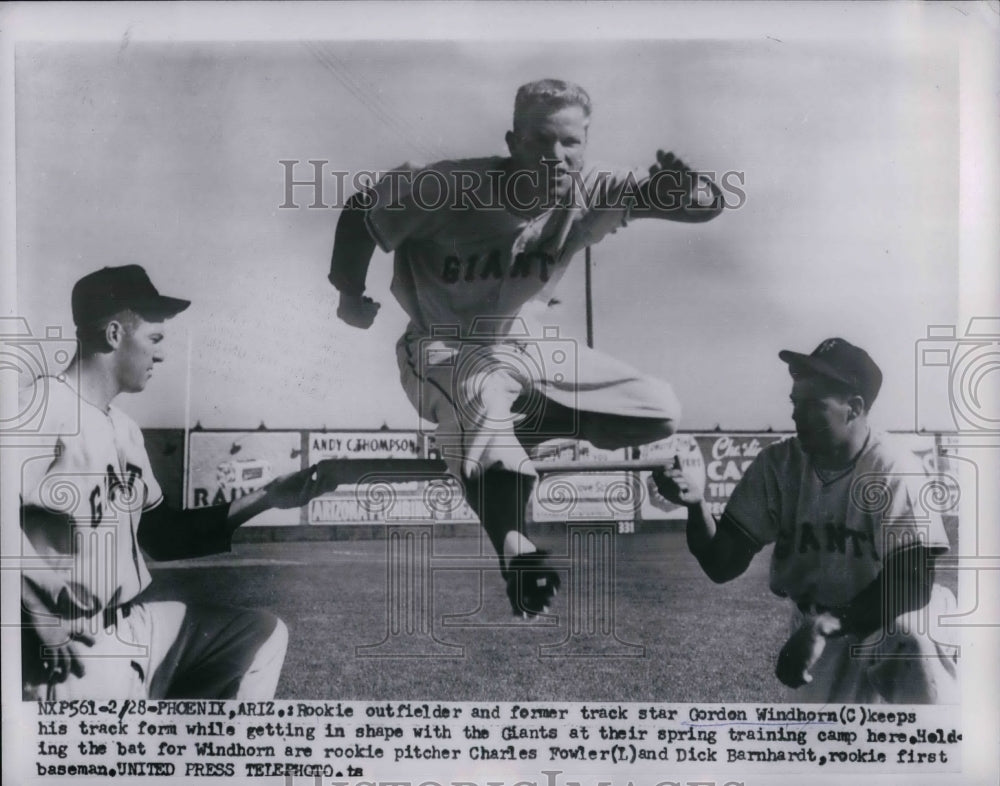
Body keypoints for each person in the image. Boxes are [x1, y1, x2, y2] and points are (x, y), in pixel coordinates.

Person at [329, 78, 725, 617]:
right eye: (542, 141)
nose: (557, 157)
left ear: (585, 145)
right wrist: (350, 293)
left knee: (659, 411)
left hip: (528, 350)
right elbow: (360, 212)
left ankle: (508, 442)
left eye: (571, 144)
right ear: (513, 142)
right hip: (442, 345)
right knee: (480, 390)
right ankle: (517, 552)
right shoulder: (450, 186)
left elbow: (705, 207)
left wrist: (691, 191)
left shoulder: (590, 192)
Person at [20, 265, 325, 700]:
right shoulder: (41, 406)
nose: (160, 356)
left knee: (257, 634)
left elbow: (165, 536)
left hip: (131, 626)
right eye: (155, 339)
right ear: (113, 335)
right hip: (72, 648)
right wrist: (39, 615)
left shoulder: (123, 428)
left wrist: (269, 497)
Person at [651, 338, 960, 703]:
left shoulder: (893, 467)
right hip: (825, 629)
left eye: (813, 405)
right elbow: (722, 564)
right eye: (796, 403)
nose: (796, 415)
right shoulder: (779, 466)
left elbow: (911, 583)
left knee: (912, 636)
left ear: (854, 408)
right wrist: (696, 504)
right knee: (829, 754)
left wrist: (827, 625)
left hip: (891, 624)